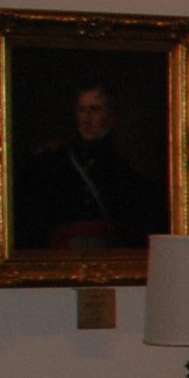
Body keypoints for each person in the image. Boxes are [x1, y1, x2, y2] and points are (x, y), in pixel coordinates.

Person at [13, 81, 166, 256]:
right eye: (81, 110)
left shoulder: (127, 168)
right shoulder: (53, 160)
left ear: (111, 115)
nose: (86, 119)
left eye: (95, 110)